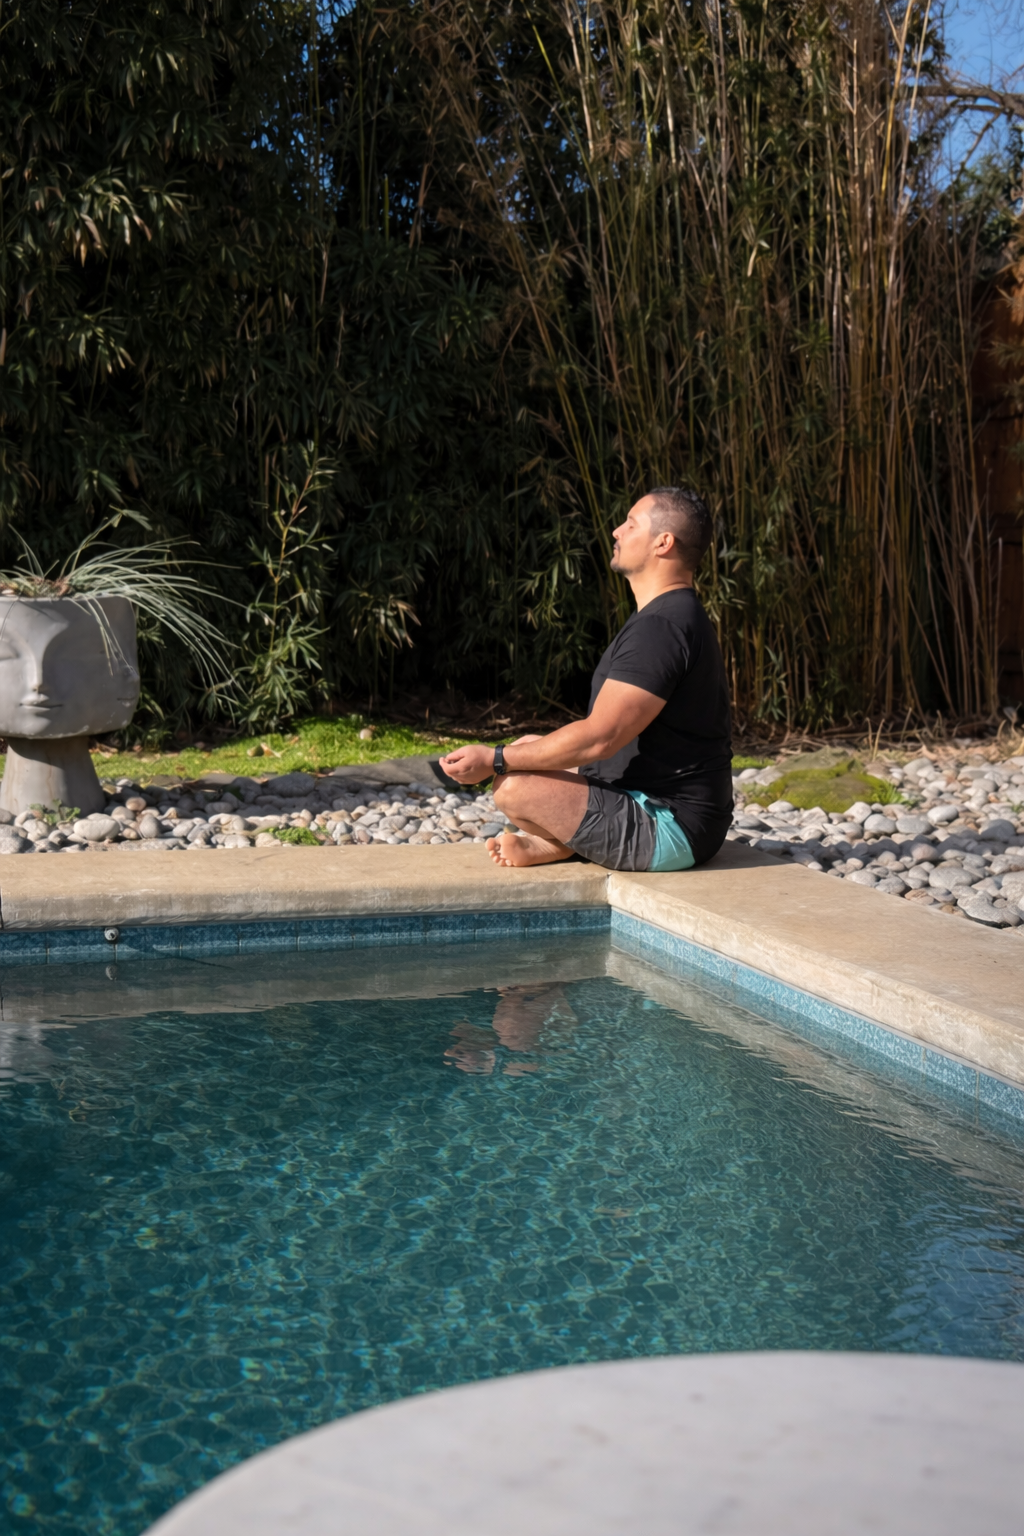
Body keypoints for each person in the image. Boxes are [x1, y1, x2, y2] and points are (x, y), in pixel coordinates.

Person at [438, 487, 733, 871]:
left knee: (515, 785)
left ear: (663, 543)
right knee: (529, 746)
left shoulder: (662, 627)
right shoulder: (668, 615)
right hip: (654, 798)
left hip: (672, 825)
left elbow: (601, 738)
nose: (616, 531)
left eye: (630, 524)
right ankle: (564, 843)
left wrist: (494, 759)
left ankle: (563, 841)